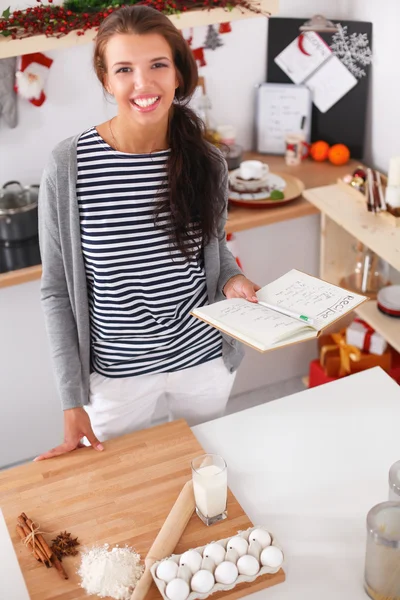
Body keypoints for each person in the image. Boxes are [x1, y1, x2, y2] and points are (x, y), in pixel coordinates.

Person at [35, 5, 260, 461]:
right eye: (124, 69)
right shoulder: (69, 167)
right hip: (116, 377)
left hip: (204, 360)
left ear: (178, 73)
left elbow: (214, 253)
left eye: (158, 64)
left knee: (208, 474)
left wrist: (231, 281)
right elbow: (57, 290)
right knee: (121, 487)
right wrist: (71, 398)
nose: (143, 83)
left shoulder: (208, 161)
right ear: (105, 81)